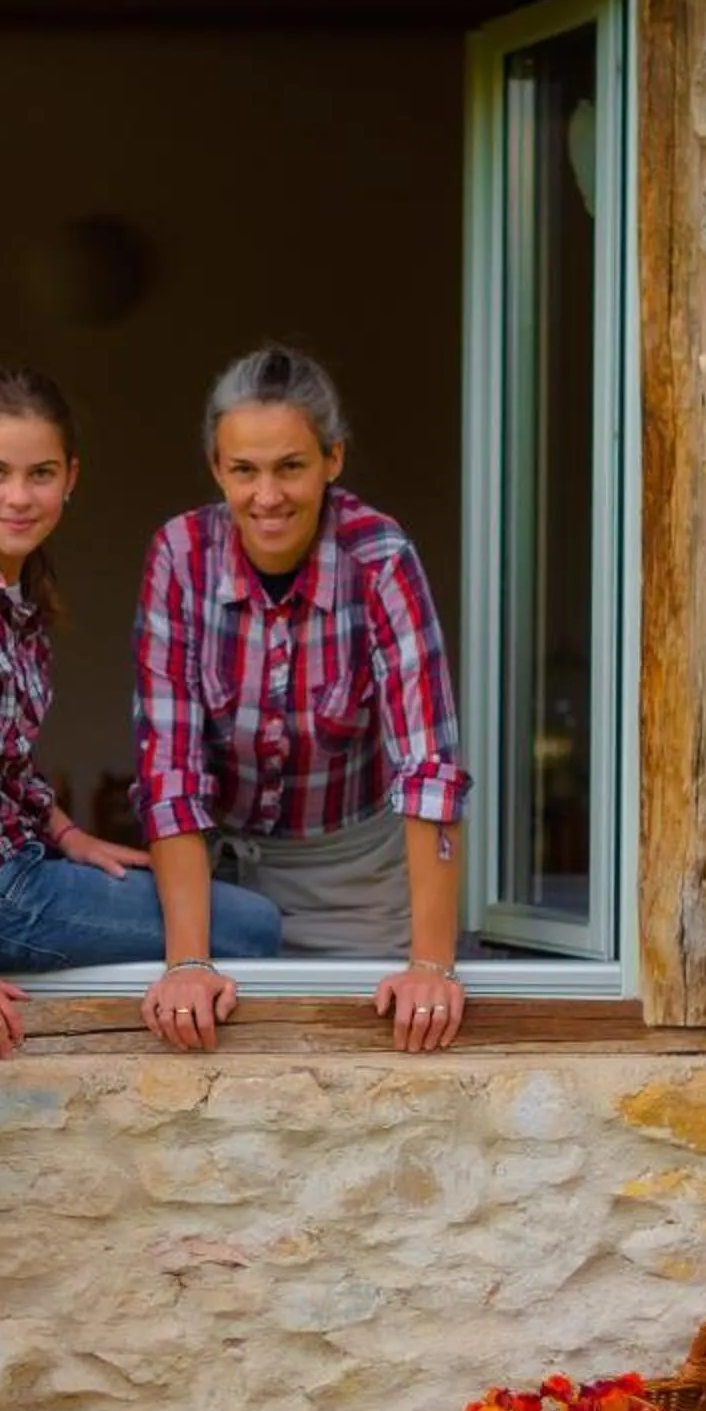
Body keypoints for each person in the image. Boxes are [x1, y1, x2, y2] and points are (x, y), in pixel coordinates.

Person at [0, 367, 279, 1058]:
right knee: (251, 929)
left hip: (7, 858)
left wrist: (66, 834)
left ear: (71, 478)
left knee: (208, 891)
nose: (20, 497)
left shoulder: (9, 582)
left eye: (41, 474)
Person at [131, 345, 471, 1055]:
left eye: (291, 466)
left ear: (333, 460)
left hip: (355, 879)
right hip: (216, 881)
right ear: (216, 469)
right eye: (244, 470)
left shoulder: (380, 557)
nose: (267, 496)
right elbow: (171, 771)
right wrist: (189, 962)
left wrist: (431, 966)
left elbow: (429, 765)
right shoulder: (180, 556)